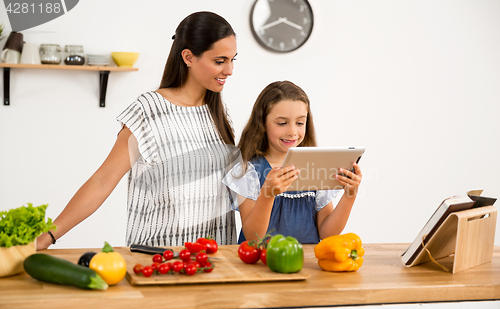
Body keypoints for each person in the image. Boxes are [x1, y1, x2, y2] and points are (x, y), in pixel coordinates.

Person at [37, 11, 239, 249]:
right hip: (161, 258)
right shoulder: (148, 111)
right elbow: (103, 181)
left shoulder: (218, 114)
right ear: (188, 57)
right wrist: (47, 237)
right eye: (220, 61)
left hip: (216, 259)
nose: (229, 70)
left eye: (233, 59)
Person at [222, 81, 362, 244]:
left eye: (300, 123)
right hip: (260, 265)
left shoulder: (316, 167)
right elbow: (253, 237)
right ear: (263, 124)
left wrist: (350, 194)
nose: (292, 132)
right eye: (282, 123)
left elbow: (327, 233)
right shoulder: (248, 171)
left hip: (306, 265)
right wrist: (268, 194)